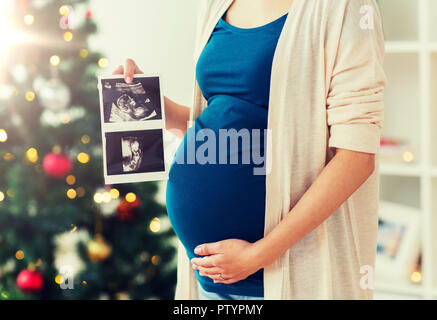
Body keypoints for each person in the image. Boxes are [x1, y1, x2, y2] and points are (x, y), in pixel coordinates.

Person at [113, 0, 386, 300]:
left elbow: (356, 157)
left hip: (279, 278)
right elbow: (219, 122)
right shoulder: (215, 5)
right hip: (207, 280)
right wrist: (150, 103)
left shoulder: (342, 7)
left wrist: (258, 255)